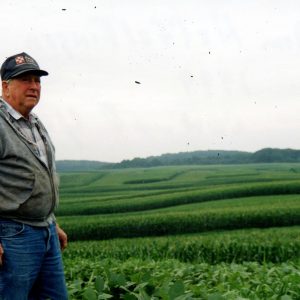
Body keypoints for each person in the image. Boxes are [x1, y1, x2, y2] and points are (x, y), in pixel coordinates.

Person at [0, 52, 68, 299]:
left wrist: (51, 221)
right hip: (14, 235)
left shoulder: (34, 122)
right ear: (5, 86)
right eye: (25, 80)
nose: (34, 86)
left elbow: (41, 175)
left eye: (37, 81)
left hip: (45, 231)